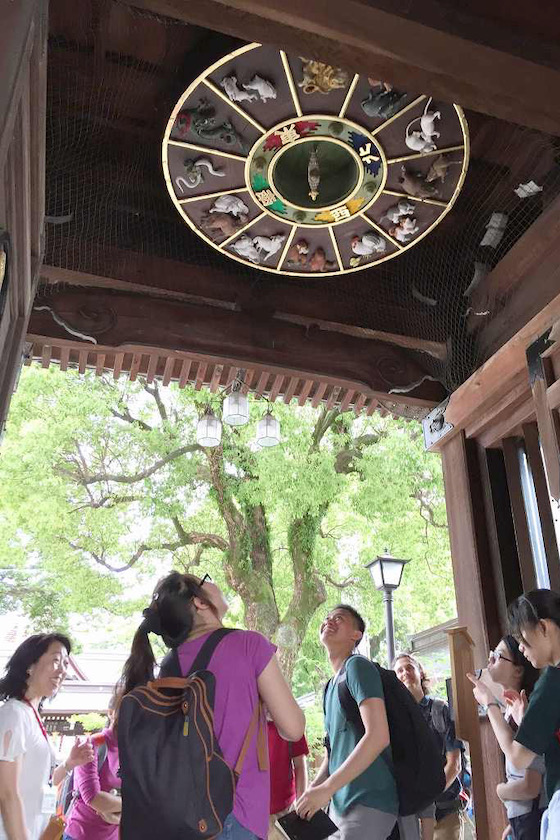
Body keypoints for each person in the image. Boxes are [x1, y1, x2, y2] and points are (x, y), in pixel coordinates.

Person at [119, 571, 305, 840]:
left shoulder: (169, 665)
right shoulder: (248, 644)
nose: (214, 583)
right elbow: (293, 728)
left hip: (183, 818)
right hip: (232, 816)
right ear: (199, 602)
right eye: (206, 580)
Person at [295, 604, 402, 840]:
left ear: (356, 635)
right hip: (338, 807)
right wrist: (314, 789)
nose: (329, 621)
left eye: (339, 618)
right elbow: (333, 753)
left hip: (368, 801)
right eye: (327, 618)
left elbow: (378, 735)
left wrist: (327, 788)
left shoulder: (357, 667)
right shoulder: (330, 687)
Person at [468, 589, 560, 840]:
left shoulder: (552, 681)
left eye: (522, 637)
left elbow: (518, 758)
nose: (521, 646)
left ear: (543, 627)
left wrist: (490, 704)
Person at [0, 633, 94, 840]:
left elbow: (39, 784)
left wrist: (69, 764)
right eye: (55, 660)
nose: (62, 670)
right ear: (30, 665)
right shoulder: (14, 714)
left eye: (65, 664)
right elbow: (6, 794)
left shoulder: (32, 716)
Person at [393, 654, 465, 840]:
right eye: (399, 670)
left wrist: (427, 796)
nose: (405, 673)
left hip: (444, 808)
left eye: (409, 667)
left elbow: (455, 764)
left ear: (420, 673)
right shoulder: (395, 719)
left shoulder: (440, 709)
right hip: (411, 814)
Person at [483, 635, 544, 840]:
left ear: (518, 670)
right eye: (492, 655)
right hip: (524, 818)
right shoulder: (511, 711)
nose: (490, 660)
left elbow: (530, 786)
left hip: (534, 817)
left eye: (498, 656)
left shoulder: (526, 710)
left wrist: (501, 791)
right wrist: (513, 819)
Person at [62, 693, 121, 840]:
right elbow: (93, 798)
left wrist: (117, 812)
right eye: (124, 707)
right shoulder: (94, 743)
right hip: (80, 834)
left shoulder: (134, 751)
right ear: (111, 712)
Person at [267, 717, 308, 840]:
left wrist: (301, 803)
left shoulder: (288, 719)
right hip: (247, 812)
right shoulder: (243, 715)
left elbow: (300, 765)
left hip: (284, 811)